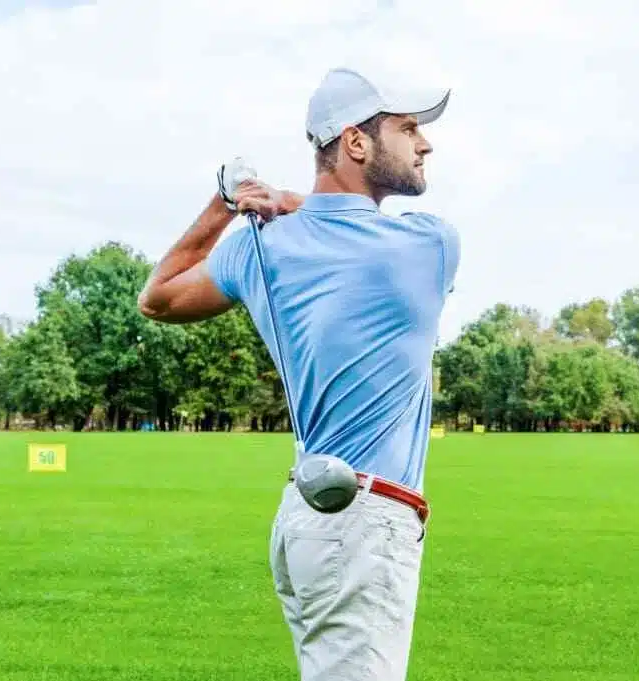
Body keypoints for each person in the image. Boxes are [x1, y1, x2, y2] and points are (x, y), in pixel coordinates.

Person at [137, 66, 460, 680]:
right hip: (365, 525)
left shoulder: (252, 245)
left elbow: (158, 298)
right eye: (409, 128)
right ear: (356, 143)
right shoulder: (430, 244)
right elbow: (351, 227)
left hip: (308, 520)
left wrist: (225, 204)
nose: (426, 143)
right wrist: (290, 201)